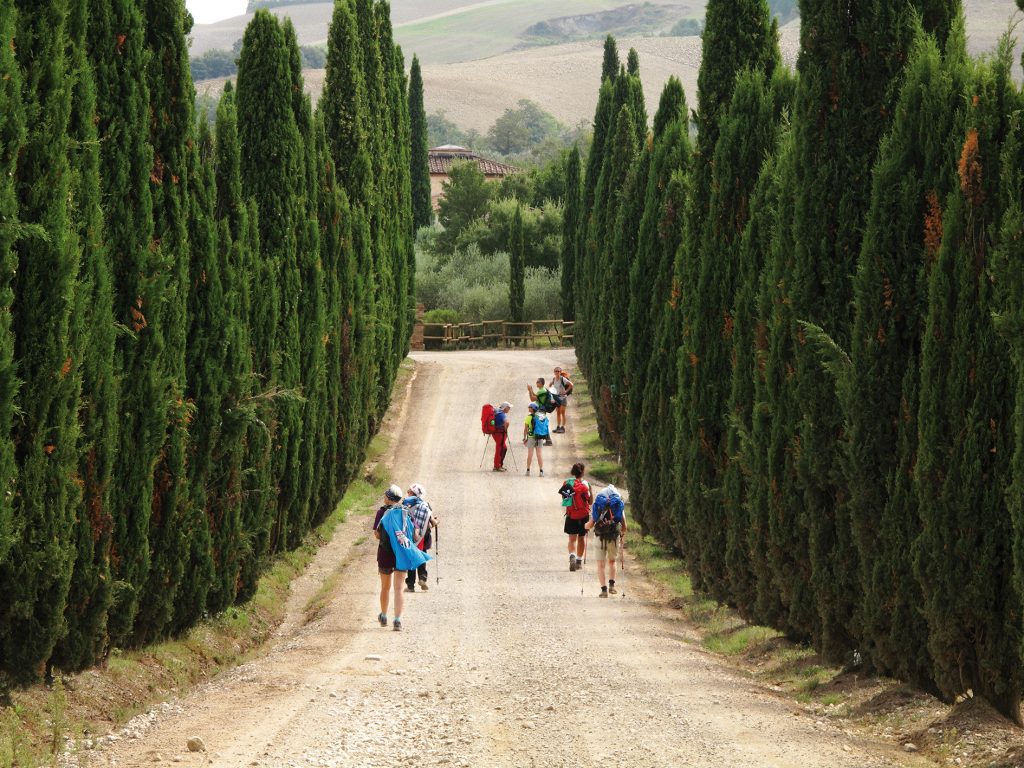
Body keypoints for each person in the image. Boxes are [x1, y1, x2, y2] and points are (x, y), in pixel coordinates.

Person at [373, 484, 431, 630]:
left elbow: (377, 534)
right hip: (402, 554)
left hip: (385, 554)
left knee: (385, 588)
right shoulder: (406, 512)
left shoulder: (382, 513)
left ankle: (384, 616)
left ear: (388, 498)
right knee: (399, 589)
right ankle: (397, 620)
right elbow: (415, 534)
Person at [585, 484, 626, 597]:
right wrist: (622, 534)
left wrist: (585, 526)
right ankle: (612, 585)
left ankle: (604, 590)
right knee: (612, 561)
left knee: (600, 564)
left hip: (599, 536)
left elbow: (590, 524)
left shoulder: (599, 505)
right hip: (613, 537)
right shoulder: (618, 505)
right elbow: (624, 526)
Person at [403, 483, 438, 593]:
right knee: (421, 556)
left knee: (411, 559)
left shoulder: (406, 506)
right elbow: (433, 522)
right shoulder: (425, 506)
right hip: (423, 537)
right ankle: (422, 578)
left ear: (413, 494)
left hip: (409, 538)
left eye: (409, 491)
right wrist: (436, 521)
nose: (407, 493)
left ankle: (410, 585)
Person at [559, 462, 592, 571]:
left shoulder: (567, 483)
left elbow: (565, 500)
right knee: (581, 538)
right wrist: (590, 491)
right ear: (583, 471)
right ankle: (578, 562)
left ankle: (571, 556)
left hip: (571, 515)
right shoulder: (586, 484)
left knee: (572, 538)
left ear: (573, 472)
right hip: (583, 515)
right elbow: (590, 501)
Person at [523, 402, 549, 475]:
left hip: (531, 438)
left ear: (532, 409)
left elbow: (525, 429)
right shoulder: (541, 416)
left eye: (529, 407)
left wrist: (524, 438)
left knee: (530, 454)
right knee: (539, 454)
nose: (528, 408)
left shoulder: (528, 417)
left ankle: (528, 471)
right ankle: (541, 471)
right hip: (540, 437)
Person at [527, 378, 555, 445]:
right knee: (542, 424)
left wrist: (530, 391)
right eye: (536, 382)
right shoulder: (542, 390)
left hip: (540, 410)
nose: (536, 383)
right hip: (541, 410)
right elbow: (536, 396)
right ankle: (548, 440)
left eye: (538, 382)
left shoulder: (541, 391)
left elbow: (532, 399)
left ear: (542, 383)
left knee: (539, 425)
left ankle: (539, 441)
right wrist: (531, 390)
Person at [548, 367, 573, 434]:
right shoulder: (554, 379)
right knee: (558, 413)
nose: (557, 372)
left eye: (558, 371)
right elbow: (550, 385)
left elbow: (571, 385)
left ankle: (563, 427)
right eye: (555, 371)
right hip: (557, 398)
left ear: (560, 372)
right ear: (554, 372)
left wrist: (565, 391)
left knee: (562, 412)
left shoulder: (562, 379)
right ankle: (558, 427)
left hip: (563, 398)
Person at [492, 402, 512, 472]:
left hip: (495, 433)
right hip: (500, 434)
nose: (509, 409)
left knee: (503, 448)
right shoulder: (502, 414)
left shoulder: (497, 411)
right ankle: (497, 466)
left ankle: (499, 464)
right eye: (508, 407)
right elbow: (507, 422)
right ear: (505, 407)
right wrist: (506, 429)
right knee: (499, 449)